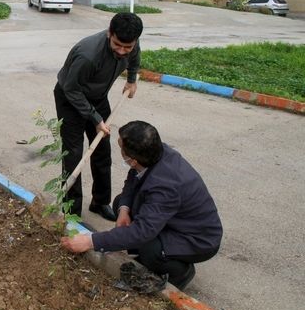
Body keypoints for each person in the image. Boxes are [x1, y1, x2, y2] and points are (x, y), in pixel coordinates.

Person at [61, 121, 223, 290]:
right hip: (175, 218)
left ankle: (179, 272)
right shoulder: (156, 152)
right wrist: (124, 210)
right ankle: (150, 250)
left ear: (133, 160)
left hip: (198, 238)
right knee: (121, 203)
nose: (120, 148)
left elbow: (141, 232)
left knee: (149, 247)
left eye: (121, 147)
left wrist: (90, 241)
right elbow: (133, 178)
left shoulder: (165, 187)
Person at [54, 12, 143, 220]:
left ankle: (100, 202)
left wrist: (131, 79)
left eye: (127, 47)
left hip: (98, 97)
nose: (122, 51)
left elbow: (134, 58)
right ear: (109, 33)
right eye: (117, 44)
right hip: (70, 98)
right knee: (73, 155)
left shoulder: (131, 45)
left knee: (102, 149)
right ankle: (72, 212)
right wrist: (95, 119)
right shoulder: (88, 54)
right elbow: (71, 89)